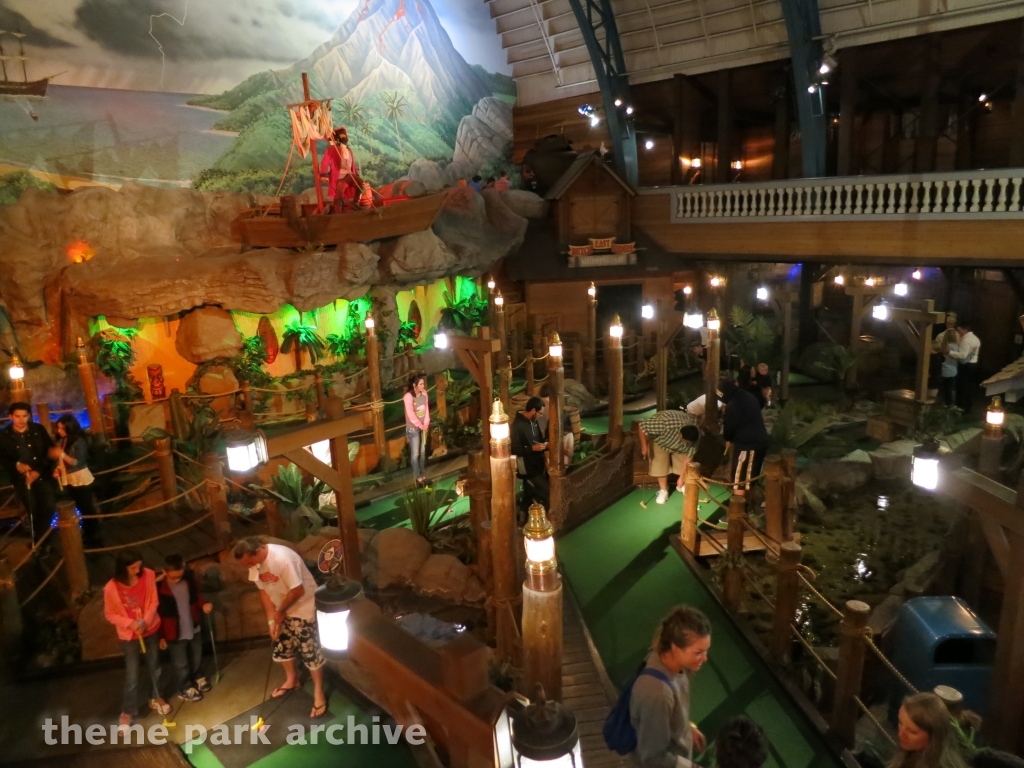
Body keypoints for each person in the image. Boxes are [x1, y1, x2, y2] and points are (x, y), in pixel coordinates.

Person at [233, 536, 328, 719]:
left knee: (310, 652)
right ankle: (292, 679)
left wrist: (281, 611)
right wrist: (271, 620)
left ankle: (318, 691)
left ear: (259, 551)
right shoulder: (255, 565)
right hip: (281, 609)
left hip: (303, 608)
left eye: (249, 562)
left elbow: (297, 590)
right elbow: (264, 591)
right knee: (282, 646)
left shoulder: (283, 559)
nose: (249, 567)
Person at [631, 606, 711, 768]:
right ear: (675, 648)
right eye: (698, 652)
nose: (705, 658)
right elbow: (653, 758)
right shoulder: (657, 694)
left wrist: (687, 728)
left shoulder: (672, 663)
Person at [103, 549, 170, 733]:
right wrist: (131, 623)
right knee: (132, 674)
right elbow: (110, 614)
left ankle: (156, 697)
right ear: (123, 568)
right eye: (133, 568)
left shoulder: (147, 575)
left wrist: (144, 621)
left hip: (150, 628)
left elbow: (153, 602)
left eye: (139, 566)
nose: (137, 570)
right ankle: (127, 712)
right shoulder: (112, 587)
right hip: (130, 634)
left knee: (154, 665)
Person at [158, 554, 214, 703]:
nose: (177, 579)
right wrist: (162, 636)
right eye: (174, 577)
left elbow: (196, 596)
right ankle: (184, 686)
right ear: (164, 572)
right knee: (180, 662)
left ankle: (198, 676)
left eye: (180, 576)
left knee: (197, 654)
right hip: (174, 632)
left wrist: (204, 604)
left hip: (192, 625)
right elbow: (160, 615)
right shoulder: (160, 590)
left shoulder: (188, 580)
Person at [0, 401, 57, 542]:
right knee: (33, 510)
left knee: (49, 507)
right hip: (21, 479)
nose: (21, 420)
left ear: (29, 416)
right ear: (11, 416)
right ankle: (43, 541)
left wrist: (37, 471)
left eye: (24, 416)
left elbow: (49, 451)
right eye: (17, 416)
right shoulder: (4, 435)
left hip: (42, 474)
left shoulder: (38, 429)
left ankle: (39, 540)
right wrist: (16, 464)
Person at [53, 414, 100, 547]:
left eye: (62, 428)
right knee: (80, 506)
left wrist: (61, 455)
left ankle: (94, 536)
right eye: (58, 428)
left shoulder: (79, 441)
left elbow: (77, 462)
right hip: (69, 478)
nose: (59, 431)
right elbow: (61, 461)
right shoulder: (62, 441)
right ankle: (87, 532)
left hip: (80, 478)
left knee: (87, 508)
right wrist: (58, 468)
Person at [638, 409, 701, 504]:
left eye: (689, 443)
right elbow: (642, 427)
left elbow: (688, 458)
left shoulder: (695, 436)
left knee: (682, 464)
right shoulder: (664, 424)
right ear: (680, 435)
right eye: (685, 442)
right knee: (660, 463)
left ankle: (681, 485)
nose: (687, 444)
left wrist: (681, 478)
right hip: (660, 440)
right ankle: (663, 490)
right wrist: (644, 447)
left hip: (676, 441)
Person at [891, 692, 968, 768]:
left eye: (912, 732)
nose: (901, 734)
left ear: (934, 737)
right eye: (900, 723)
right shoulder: (912, 751)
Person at [720, 379, 769, 495]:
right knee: (749, 477)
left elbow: (730, 425)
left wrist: (728, 438)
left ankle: (739, 509)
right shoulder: (747, 396)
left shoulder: (734, 404)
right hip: (758, 441)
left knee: (740, 480)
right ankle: (745, 506)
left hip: (748, 445)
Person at [511, 397, 549, 510]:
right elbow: (515, 449)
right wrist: (532, 448)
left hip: (538, 464)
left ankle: (523, 514)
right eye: (540, 413)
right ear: (533, 410)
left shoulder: (534, 421)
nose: (540, 416)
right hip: (528, 469)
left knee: (530, 495)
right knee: (549, 493)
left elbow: (538, 439)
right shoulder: (517, 426)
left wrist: (545, 444)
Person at [319, 126, 363, 212]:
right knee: (339, 195)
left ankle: (355, 203)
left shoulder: (349, 150)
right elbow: (325, 162)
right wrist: (324, 174)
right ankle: (338, 212)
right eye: (342, 136)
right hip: (339, 177)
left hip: (350, 174)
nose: (345, 137)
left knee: (362, 184)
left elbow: (352, 164)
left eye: (345, 136)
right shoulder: (332, 149)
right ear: (338, 137)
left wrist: (356, 174)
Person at [944, 320, 980, 415]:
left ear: (965, 330)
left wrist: (950, 352)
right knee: (969, 387)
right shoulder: (975, 338)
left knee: (961, 387)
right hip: (973, 364)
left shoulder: (965, 340)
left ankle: (960, 407)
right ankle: (968, 407)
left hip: (966, 366)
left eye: (959, 330)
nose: (958, 332)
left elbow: (963, 355)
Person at [538, 383, 574, 467]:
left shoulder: (567, 433)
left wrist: (559, 447)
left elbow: (570, 452)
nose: (546, 407)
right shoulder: (541, 413)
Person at [404, 374, 430, 486]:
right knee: (415, 454)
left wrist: (426, 423)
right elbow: (411, 414)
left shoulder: (424, 394)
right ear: (415, 385)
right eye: (421, 384)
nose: (423, 386)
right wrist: (420, 425)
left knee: (423, 452)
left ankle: (423, 475)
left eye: (423, 383)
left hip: (423, 427)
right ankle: (418, 477)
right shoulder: (408, 397)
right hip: (413, 429)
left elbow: (427, 410)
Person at [937, 328, 959, 407]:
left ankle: (943, 402)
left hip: (944, 369)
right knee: (950, 388)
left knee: (943, 388)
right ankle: (949, 403)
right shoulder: (957, 346)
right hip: (953, 369)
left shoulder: (943, 346)